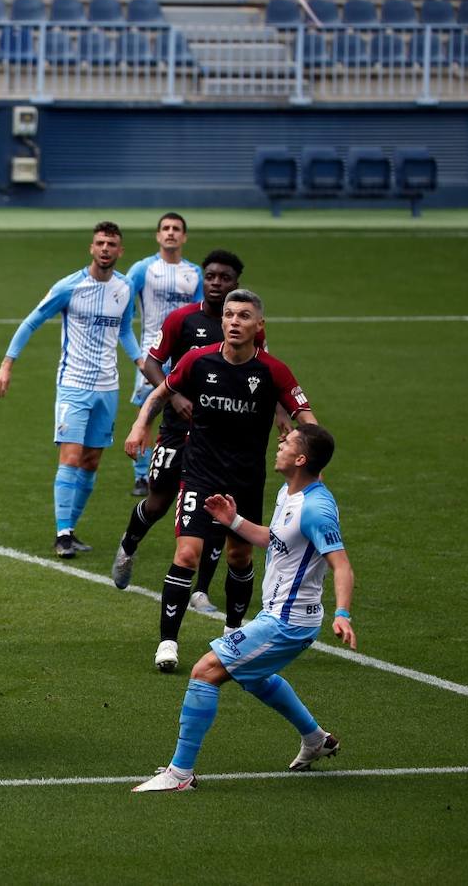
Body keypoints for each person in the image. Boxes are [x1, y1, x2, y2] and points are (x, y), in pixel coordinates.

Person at [132, 424, 355, 792]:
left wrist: (343, 613)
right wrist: (232, 521)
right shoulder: (290, 493)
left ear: (301, 459)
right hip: (278, 614)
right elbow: (275, 538)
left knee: (206, 671)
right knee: (254, 676)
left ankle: (179, 774)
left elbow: (341, 563)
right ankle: (316, 739)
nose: (279, 443)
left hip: (288, 622)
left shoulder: (316, 509)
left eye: (288, 442)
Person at [125, 288, 316, 673]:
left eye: (244, 316)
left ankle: (233, 631)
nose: (233, 322)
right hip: (200, 474)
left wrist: (310, 457)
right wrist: (140, 424)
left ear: (259, 325)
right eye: (229, 315)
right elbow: (161, 392)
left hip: (245, 480)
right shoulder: (198, 361)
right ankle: (168, 642)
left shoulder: (273, 371)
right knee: (186, 554)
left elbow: (307, 418)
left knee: (239, 556)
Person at [112, 249, 255, 610]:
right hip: (177, 431)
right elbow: (152, 363)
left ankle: (201, 591)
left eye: (224, 278)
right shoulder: (182, 320)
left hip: (220, 438)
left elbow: (258, 373)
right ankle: (129, 545)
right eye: (210, 277)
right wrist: (172, 399)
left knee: (217, 508)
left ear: (236, 283)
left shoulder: (245, 328)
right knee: (159, 501)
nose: (216, 283)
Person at [0, 222, 141, 559]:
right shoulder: (69, 287)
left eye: (111, 244)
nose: (105, 248)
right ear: (91, 248)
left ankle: (71, 529)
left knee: (91, 461)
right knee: (71, 457)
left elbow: (126, 331)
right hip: (73, 385)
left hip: (108, 387)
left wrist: (142, 363)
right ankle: (61, 534)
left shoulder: (126, 287)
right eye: (100, 242)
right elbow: (32, 321)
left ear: (120, 251)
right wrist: (7, 364)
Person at [124, 213, 202, 497]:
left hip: (185, 357)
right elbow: (122, 300)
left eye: (176, 229)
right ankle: (141, 475)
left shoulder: (194, 273)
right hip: (152, 355)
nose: (170, 233)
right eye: (165, 228)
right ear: (158, 235)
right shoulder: (143, 269)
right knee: (148, 411)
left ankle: (187, 465)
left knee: (189, 410)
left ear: (184, 236)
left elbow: (201, 312)